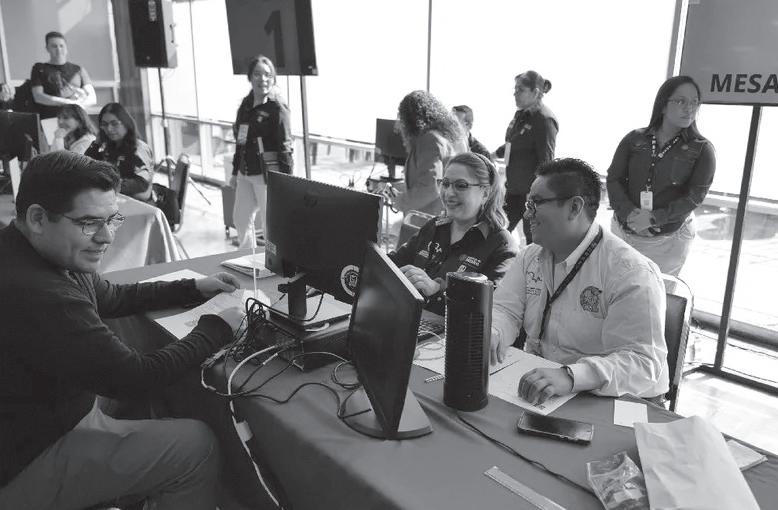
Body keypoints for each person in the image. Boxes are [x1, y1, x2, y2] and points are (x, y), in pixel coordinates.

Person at [0, 151, 245, 509]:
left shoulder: (40, 251)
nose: (106, 237)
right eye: (89, 223)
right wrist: (217, 327)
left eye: (112, 220)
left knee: (148, 401)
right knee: (196, 445)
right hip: (26, 458)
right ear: (38, 218)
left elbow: (112, 296)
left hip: (44, 412)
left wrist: (192, 288)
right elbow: (137, 376)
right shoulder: (39, 293)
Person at [490, 158, 669, 406]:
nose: (526, 213)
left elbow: (642, 362)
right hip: (547, 384)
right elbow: (505, 310)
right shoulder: (530, 256)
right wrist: (493, 332)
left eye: (536, 203)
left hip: (619, 397)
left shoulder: (630, 272)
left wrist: (572, 376)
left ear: (574, 208)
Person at [606, 75, 716, 276]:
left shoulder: (702, 150)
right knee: (616, 288)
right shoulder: (634, 139)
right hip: (623, 231)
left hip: (668, 240)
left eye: (694, 102)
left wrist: (653, 218)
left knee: (657, 292)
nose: (689, 109)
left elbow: (694, 198)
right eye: (681, 101)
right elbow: (614, 179)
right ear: (663, 105)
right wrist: (630, 214)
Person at [390, 152, 518, 315]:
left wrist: (437, 290)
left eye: (461, 185)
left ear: (485, 193)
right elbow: (393, 264)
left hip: (450, 330)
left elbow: (488, 310)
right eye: (445, 183)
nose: (449, 193)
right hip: (410, 320)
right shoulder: (434, 227)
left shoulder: (501, 245)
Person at [229, 54, 293, 249]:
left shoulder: (277, 109)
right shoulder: (245, 105)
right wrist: (234, 172)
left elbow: (285, 148)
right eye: (257, 74)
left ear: (273, 79)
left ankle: (275, 262)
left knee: (270, 226)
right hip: (245, 172)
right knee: (240, 219)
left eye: (268, 75)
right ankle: (246, 258)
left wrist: (287, 182)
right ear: (250, 77)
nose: (263, 79)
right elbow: (240, 141)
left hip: (266, 176)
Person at [494, 70, 558, 242]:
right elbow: (514, 143)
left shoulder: (544, 120)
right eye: (515, 89)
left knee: (534, 242)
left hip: (531, 195)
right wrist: (493, 154)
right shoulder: (521, 115)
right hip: (513, 191)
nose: (515, 93)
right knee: (496, 233)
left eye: (520, 90)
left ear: (535, 92)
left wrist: (536, 193)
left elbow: (546, 162)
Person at [394, 90, 468, 217]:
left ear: (411, 119)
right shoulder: (442, 138)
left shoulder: (429, 140)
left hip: (426, 219)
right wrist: (399, 187)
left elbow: (429, 188)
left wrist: (400, 202)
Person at [85, 102, 154, 202]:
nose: (109, 129)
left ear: (126, 123)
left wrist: (109, 185)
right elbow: (86, 166)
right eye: (104, 124)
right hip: (115, 200)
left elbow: (141, 183)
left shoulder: (139, 148)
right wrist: (96, 144)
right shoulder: (108, 146)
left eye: (114, 123)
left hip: (139, 204)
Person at [30, 31, 96, 119]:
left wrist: (78, 104)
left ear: (66, 48)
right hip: (51, 118)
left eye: (61, 46)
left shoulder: (78, 70)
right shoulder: (39, 69)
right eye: (54, 46)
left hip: (76, 119)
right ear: (47, 48)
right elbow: (38, 96)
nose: (58, 49)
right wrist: (67, 102)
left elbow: (92, 98)